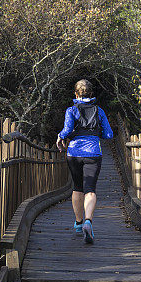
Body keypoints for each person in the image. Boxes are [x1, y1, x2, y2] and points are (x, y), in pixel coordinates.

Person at [56, 79, 114, 244]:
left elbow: (67, 130)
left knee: (77, 188)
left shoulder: (71, 110)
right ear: (91, 94)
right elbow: (109, 134)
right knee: (90, 190)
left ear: (76, 94)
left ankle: (79, 223)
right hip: (93, 153)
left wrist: (60, 136)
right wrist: (96, 134)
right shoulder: (99, 111)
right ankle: (88, 220)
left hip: (74, 153)